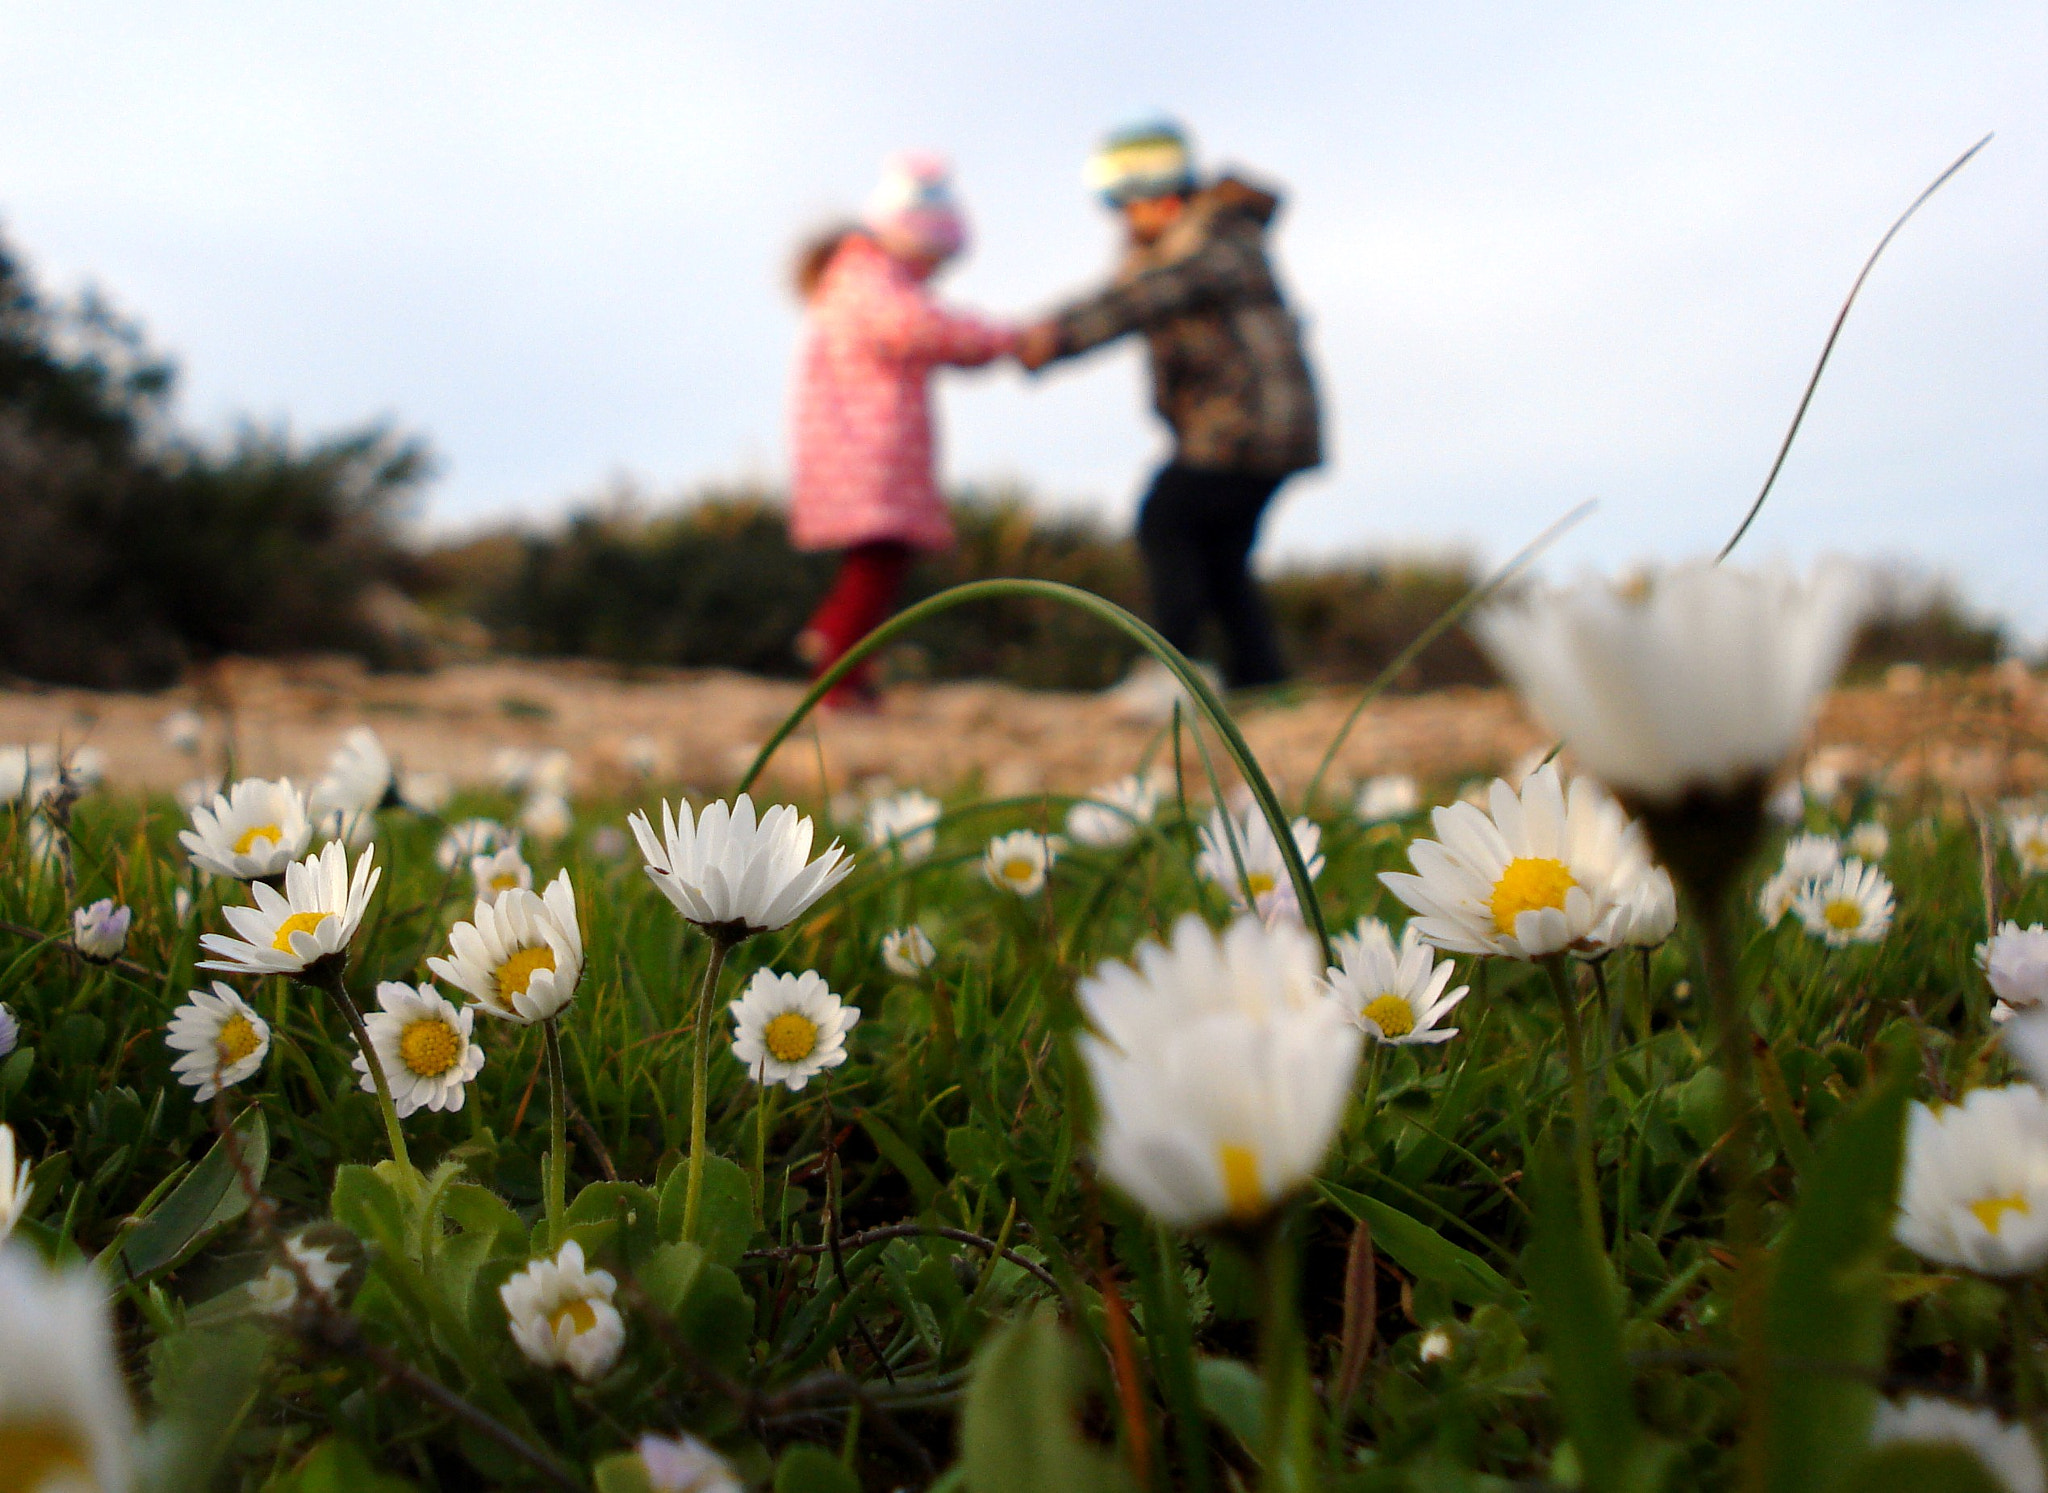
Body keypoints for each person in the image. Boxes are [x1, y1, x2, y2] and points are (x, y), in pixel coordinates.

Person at [1019, 118, 1321, 693]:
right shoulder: (1192, 244)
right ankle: (1263, 682)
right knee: (1222, 556)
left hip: (1249, 423)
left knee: (1168, 517)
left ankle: (1176, 670)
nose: (1122, 220)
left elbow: (1141, 299)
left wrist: (1054, 336)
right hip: (1260, 427)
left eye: (1124, 204)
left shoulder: (1219, 239)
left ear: (1158, 194)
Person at [789, 154, 1018, 709]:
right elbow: (919, 328)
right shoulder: (869, 278)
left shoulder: (858, 276)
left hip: (862, 447)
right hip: (868, 449)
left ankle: (842, 650)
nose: (934, 278)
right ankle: (838, 674)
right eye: (932, 260)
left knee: (877, 561)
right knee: (879, 559)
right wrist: (1004, 340)